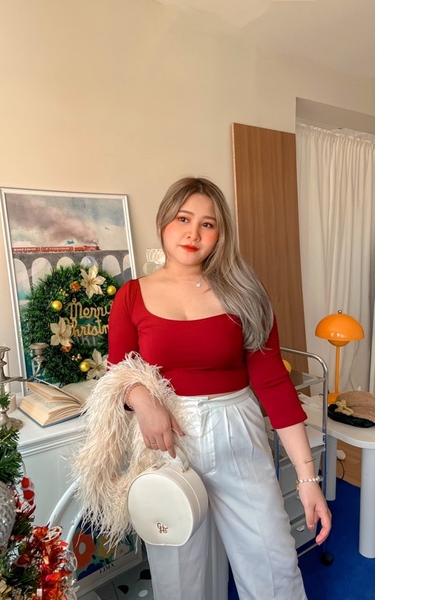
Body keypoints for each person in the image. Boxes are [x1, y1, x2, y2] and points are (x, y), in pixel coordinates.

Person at [104, 176, 332, 600]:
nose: (193, 233)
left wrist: (307, 478)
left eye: (207, 224)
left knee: (272, 563)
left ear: (220, 234)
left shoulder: (246, 293)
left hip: (237, 431)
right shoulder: (131, 296)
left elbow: (274, 382)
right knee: (180, 575)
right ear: (163, 222)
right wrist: (143, 401)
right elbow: (118, 371)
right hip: (167, 441)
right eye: (183, 218)